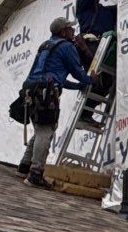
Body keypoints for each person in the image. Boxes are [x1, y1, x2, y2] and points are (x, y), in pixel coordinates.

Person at [17, 17, 91, 188]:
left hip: (33, 89)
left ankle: (24, 166)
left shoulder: (46, 45)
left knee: (41, 128)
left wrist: (78, 85)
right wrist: (90, 79)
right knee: (45, 131)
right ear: (63, 32)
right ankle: (35, 173)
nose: (73, 31)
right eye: (70, 29)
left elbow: (58, 77)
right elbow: (77, 71)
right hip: (46, 92)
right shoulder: (66, 47)